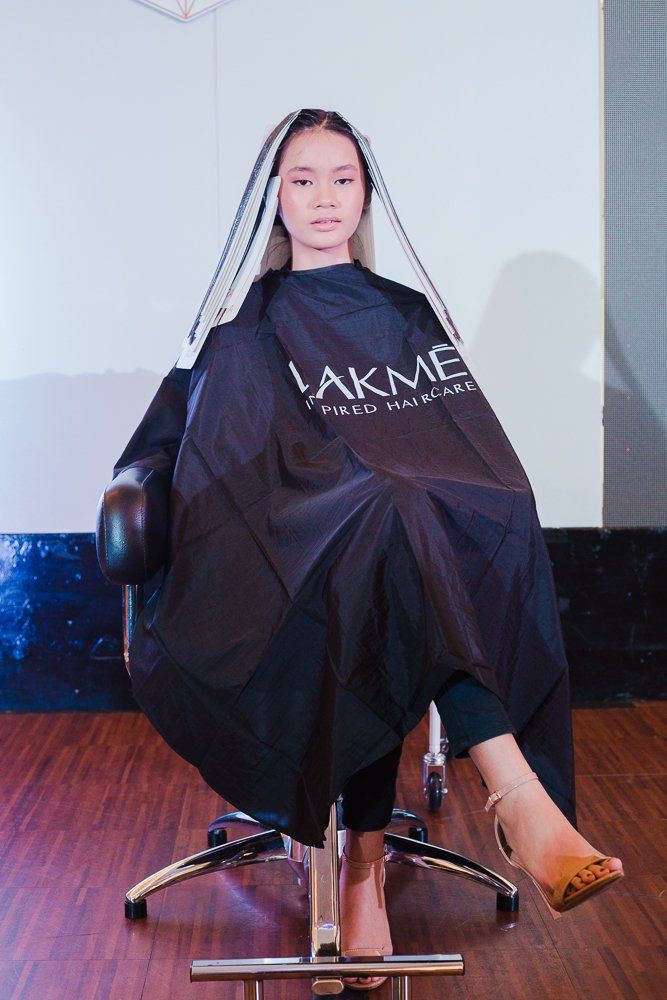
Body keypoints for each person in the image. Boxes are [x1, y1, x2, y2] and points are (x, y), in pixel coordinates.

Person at [110, 109, 623, 992]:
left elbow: (467, 457)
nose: (324, 197)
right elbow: (228, 470)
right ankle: (498, 805)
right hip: (276, 561)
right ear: (274, 198)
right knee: (385, 531)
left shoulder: (405, 315)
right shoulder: (245, 329)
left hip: (389, 555)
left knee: (404, 535)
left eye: (341, 178)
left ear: (365, 192)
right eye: (302, 178)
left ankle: (369, 866)